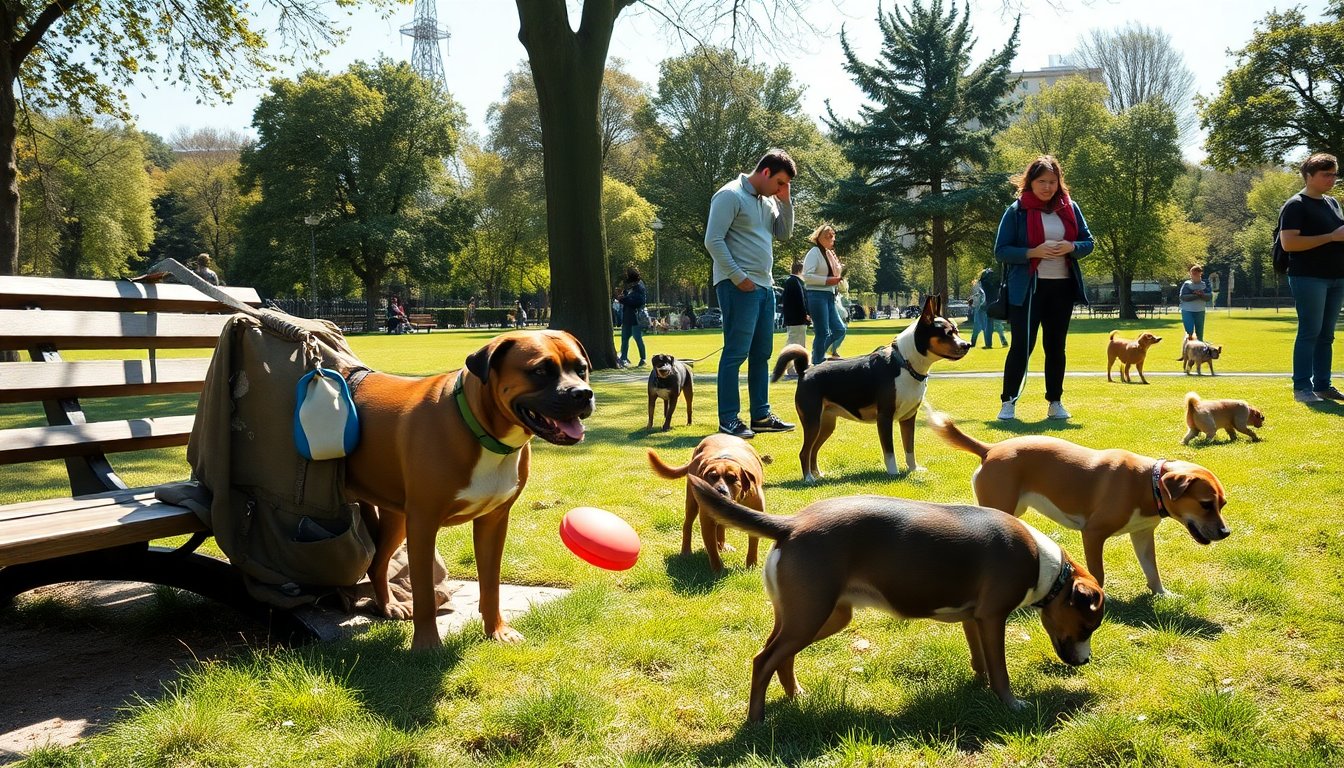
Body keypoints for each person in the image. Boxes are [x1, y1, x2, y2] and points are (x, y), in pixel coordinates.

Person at [704, 148, 797, 438]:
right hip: (738, 287)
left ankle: (761, 416)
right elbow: (713, 240)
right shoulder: (729, 195)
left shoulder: (768, 202)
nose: (782, 188)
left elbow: (783, 233)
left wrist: (786, 202)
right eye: (780, 182)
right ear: (766, 172)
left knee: (762, 354)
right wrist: (738, 276)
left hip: (765, 287)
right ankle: (728, 419)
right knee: (735, 353)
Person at [994, 155, 1094, 421]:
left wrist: (1072, 247)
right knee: (1021, 347)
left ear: (1059, 182)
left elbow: (1088, 242)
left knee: (1056, 347)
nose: (1047, 187)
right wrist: (1032, 251)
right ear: (1030, 182)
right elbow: (1001, 251)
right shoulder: (1016, 210)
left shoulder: (1070, 207)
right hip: (1027, 290)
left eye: (1052, 181)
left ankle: (1055, 402)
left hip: (1061, 289)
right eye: (1041, 181)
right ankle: (1008, 403)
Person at [1278, 152, 1344, 403]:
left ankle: (1323, 386)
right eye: (1326, 174)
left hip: (1337, 277)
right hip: (1309, 277)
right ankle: (1302, 388)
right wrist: (1331, 237)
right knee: (1310, 332)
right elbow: (1289, 243)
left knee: (1327, 335)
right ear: (1309, 176)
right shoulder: (1296, 205)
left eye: (1334, 174)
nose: (1332, 179)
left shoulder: (1332, 203)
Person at [802, 223, 846, 365]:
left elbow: (836, 274)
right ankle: (817, 361)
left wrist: (838, 269)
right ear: (819, 237)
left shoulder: (829, 253)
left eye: (832, 236)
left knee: (839, 329)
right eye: (827, 236)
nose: (830, 239)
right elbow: (807, 276)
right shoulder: (814, 252)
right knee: (822, 332)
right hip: (816, 295)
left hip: (829, 295)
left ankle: (817, 354)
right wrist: (828, 281)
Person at [780, 259, 809, 378]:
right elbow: (800, 301)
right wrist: (805, 314)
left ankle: (792, 368)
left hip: (793, 319)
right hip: (796, 319)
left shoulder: (791, 282)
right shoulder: (795, 282)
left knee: (795, 343)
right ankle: (785, 366)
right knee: (796, 344)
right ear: (800, 270)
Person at [615, 266, 648, 368]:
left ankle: (643, 359)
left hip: (635, 318)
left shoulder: (640, 288)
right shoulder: (630, 288)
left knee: (638, 338)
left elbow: (638, 302)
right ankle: (624, 358)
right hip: (627, 317)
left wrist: (623, 299)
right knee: (624, 339)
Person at [1178, 264, 1210, 340]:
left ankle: (1200, 350)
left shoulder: (1205, 284)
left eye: (1196, 274)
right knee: (1189, 333)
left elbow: (1209, 297)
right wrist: (1196, 295)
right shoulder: (1187, 284)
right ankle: (1188, 349)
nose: (1194, 276)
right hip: (1187, 310)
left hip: (1200, 311)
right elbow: (1183, 297)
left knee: (1199, 333)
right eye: (1193, 274)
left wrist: (1202, 295)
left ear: (1200, 274)